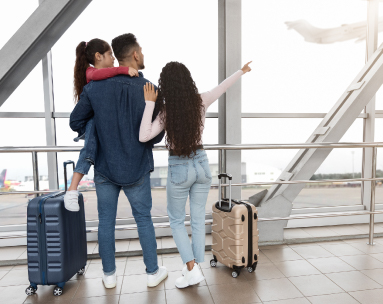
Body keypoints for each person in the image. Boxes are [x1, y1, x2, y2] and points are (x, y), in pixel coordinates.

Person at [139, 60, 252, 288]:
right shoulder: (201, 100)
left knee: (177, 220)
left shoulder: (166, 111)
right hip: (201, 163)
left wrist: (149, 103)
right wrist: (241, 70)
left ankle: (191, 269)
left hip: (179, 167)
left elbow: (144, 136)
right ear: (187, 80)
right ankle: (194, 267)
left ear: (166, 85)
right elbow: (223, 86)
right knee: (198, 219)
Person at [70, 33, 168, 289]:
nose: (143, 55)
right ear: (135, 55)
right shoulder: (151, 90)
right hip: (137, 168)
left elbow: (75, 122)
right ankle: (152, 273)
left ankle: (109, 276)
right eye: (142, 51)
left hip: (105, 168)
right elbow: (156, 138)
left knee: (106, 223)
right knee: (143, 220)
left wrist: (96, 126)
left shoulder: (94, 89)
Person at [65, 38, 139, 212]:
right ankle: (72, 189)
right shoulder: (91, 73)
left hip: (96, 126)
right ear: (98, 56)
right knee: (93, 128)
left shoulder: (101, 78)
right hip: (86, 123)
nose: (113, 59)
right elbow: (99, 75)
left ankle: (73, 188)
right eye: (110, 55)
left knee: (93, 136)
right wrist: (124, 69)